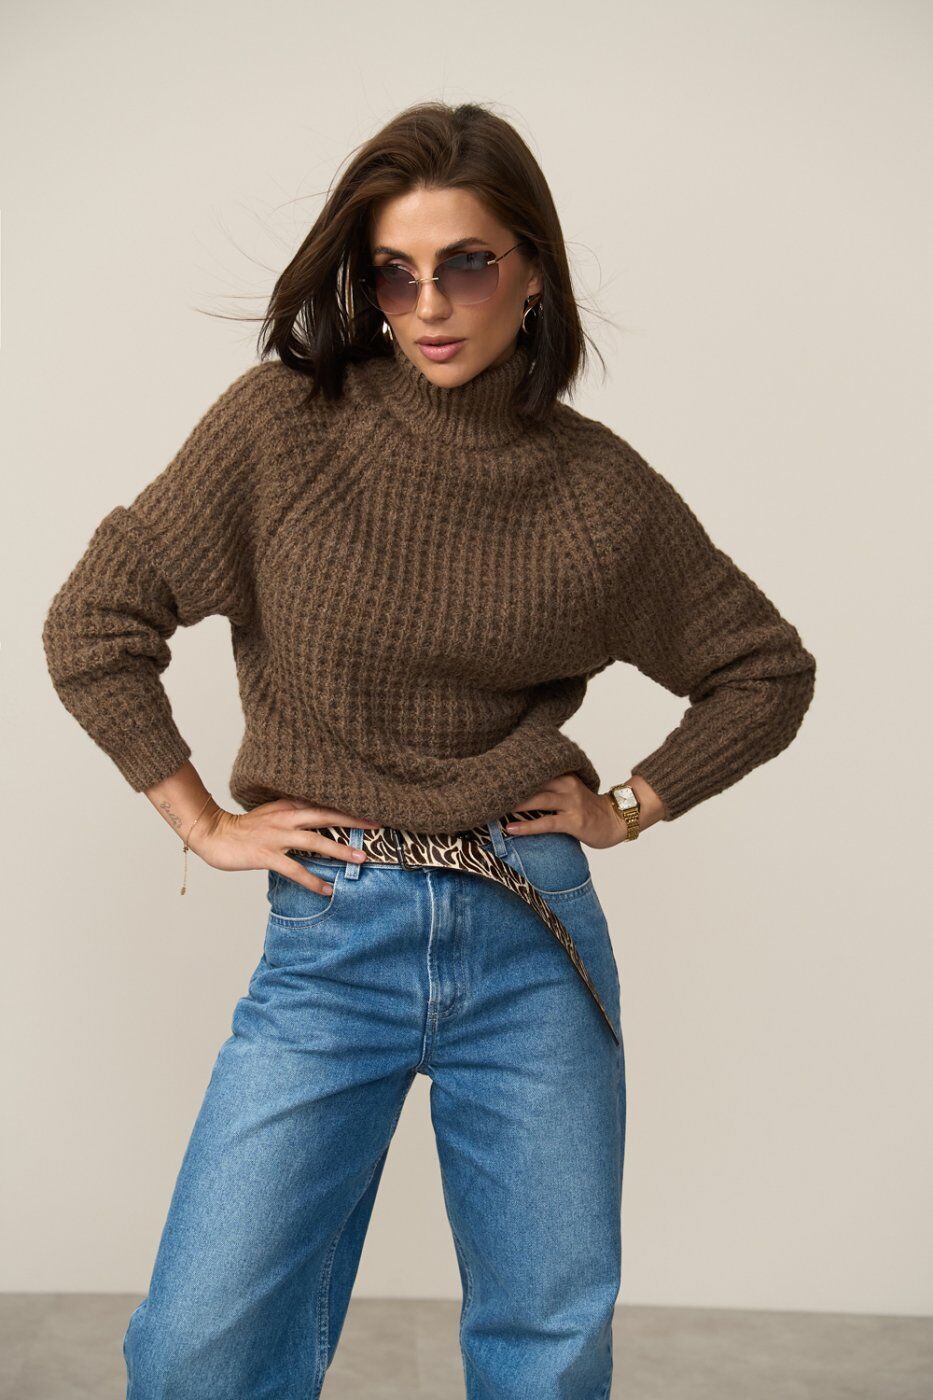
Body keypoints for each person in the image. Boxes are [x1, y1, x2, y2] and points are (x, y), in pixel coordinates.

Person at [41, 100, 816, 1400]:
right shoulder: (285, 429)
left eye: (465, 263)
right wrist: (202, 822)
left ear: (532, 271)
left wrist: (628, 805)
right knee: (197, 1349)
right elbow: (96, 620)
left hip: (532, 937)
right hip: (333, 927)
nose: (429, 304)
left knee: (544, 1348)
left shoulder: (596, 493)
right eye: (394, 273)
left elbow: (765, 670)